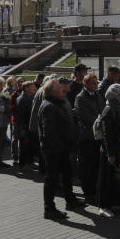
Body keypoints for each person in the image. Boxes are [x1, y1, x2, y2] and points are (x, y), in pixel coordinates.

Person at [38, 77, 85, 220]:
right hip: (54, 150)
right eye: (60, 89)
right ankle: (49, 209)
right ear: (53, 92)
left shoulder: (57, 103)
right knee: (51, 179)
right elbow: (49, 132)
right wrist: (59, 146)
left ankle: (70, 200)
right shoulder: (49, 106)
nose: (63, 91)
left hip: (63, 147)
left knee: (67, 174)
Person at [97, 83, 120, 217]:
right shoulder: (109, 110)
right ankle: (103, 206)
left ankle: (115, 201)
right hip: (109, 150)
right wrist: (110, 154)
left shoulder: (119, 107)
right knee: (106, 178)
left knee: (115, 177)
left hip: (117, 147)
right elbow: (106, 134)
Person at [73, 73, 103, 198]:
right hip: (87, 138)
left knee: (96, 166)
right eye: (93, 83)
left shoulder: (97, 95)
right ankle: (88, 193)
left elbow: (102, 110)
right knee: (87, 168)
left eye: (97, 83)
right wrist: (99, 121)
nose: (96, 85)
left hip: (98, 137)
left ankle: (95, 191)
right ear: (85, 84)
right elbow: (84, 117)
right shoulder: (80, 98)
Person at [14, 81, 38, 169]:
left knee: (29, 145)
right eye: (32, 87)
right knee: (24, 146)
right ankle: (22, 163)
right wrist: (22, 128)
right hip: (24, 126)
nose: (35, 88)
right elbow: (20, 116)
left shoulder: (29, 97)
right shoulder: (22, 99)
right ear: (26, 88)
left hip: (29, 125)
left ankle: (29, 162)